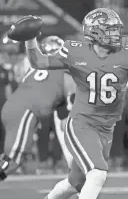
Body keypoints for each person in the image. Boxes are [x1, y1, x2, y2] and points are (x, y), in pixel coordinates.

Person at [18, 8, 128, 199]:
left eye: (116, 29)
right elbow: (40, 62)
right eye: (110, 29)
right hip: (82, 123)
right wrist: (30, 39)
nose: (116, 34)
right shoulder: (75, 50)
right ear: (95, 32)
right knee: (97, 174)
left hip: (107, 128)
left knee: (74, 183)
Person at [0, 36, 76, 179]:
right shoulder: (65, 69)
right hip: (27, 111)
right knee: (12, 161)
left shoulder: (34, 67)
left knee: (10, 157)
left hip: (11, 108)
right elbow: (70, 95)